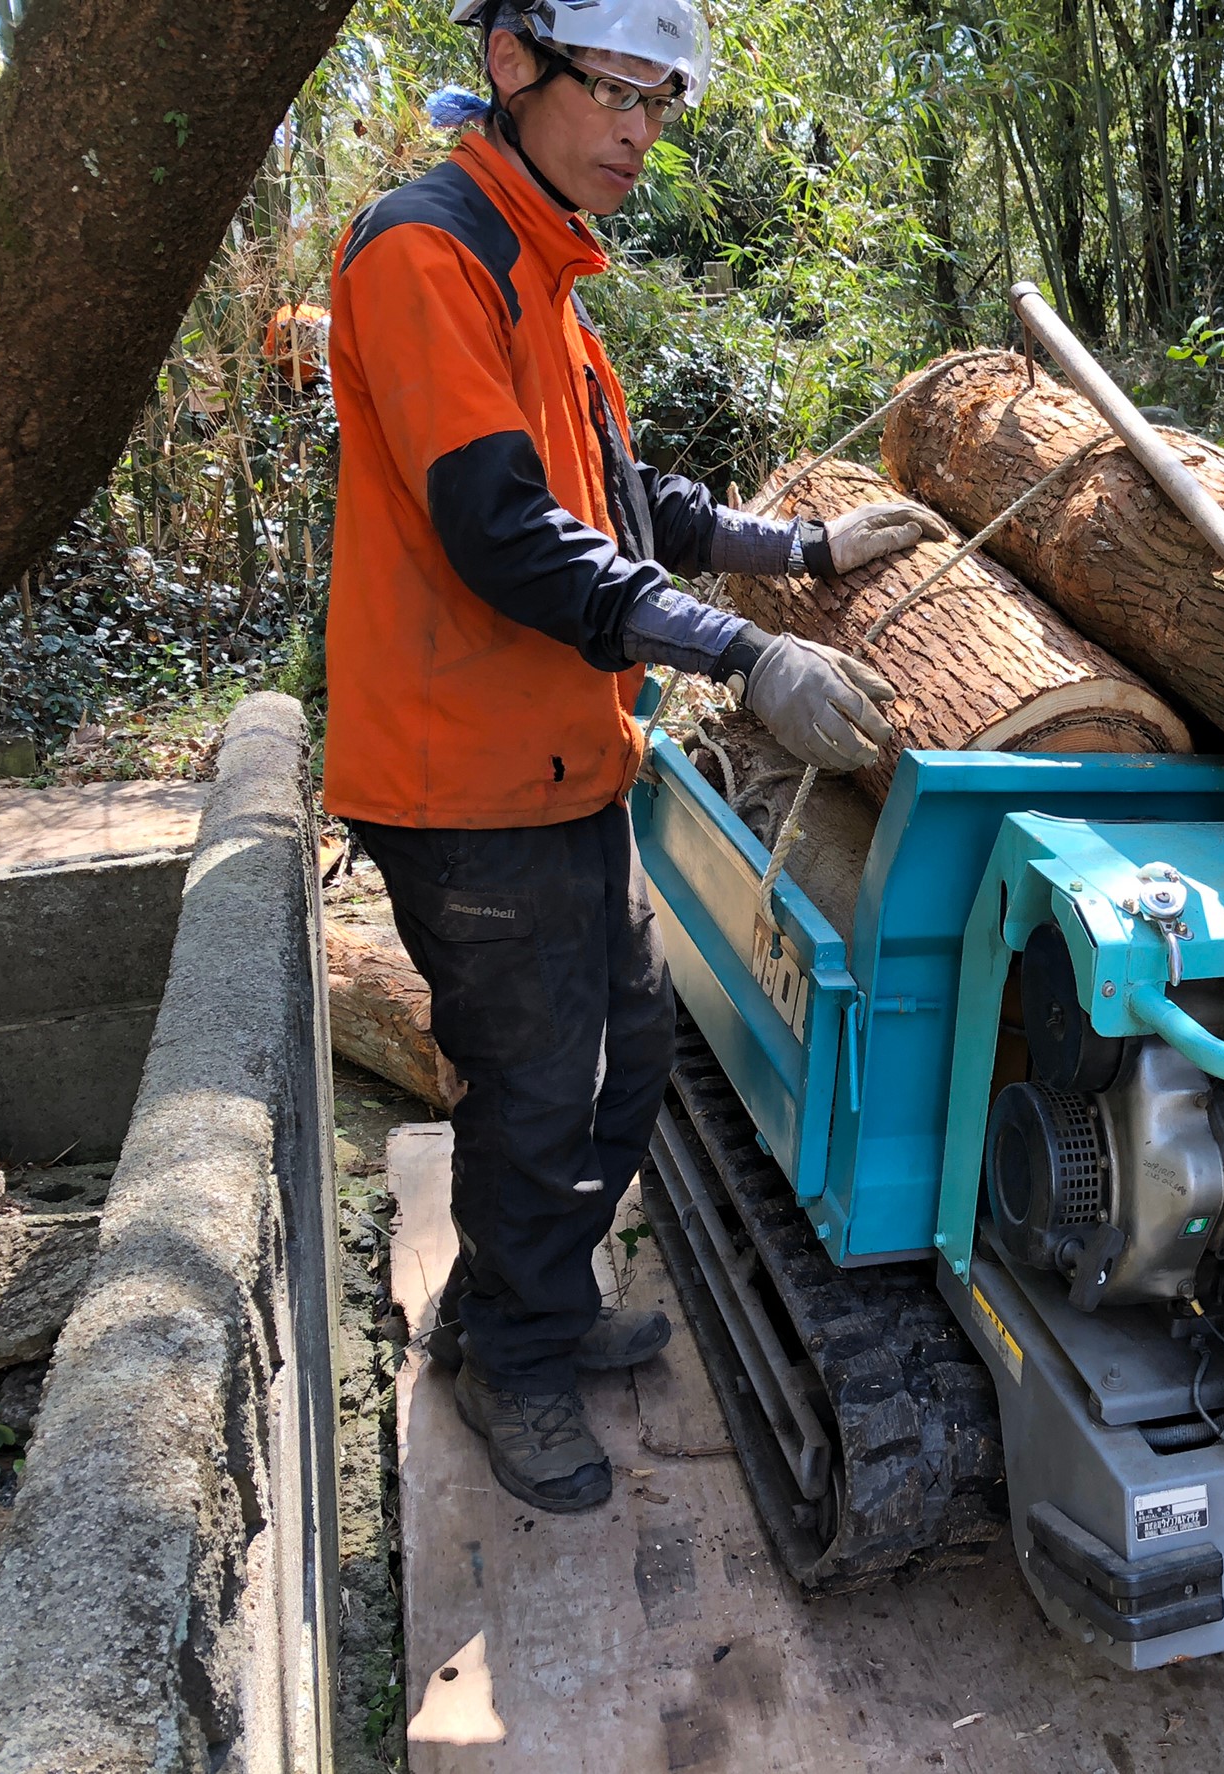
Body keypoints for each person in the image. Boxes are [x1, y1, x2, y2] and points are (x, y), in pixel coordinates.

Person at [322, 0, 946, 1513]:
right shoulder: (428, 257)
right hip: (464, 780)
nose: (640, 135)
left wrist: (790, 548)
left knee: (631, 1053)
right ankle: (514, 1370)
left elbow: (616, 495)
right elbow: (510, 534)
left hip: (563, 761)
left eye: (662, 105)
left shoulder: (546, 271)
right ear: (512, 62)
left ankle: (510, 1305)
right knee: (539, 1087)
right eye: (617, 92)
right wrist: (746, 653)